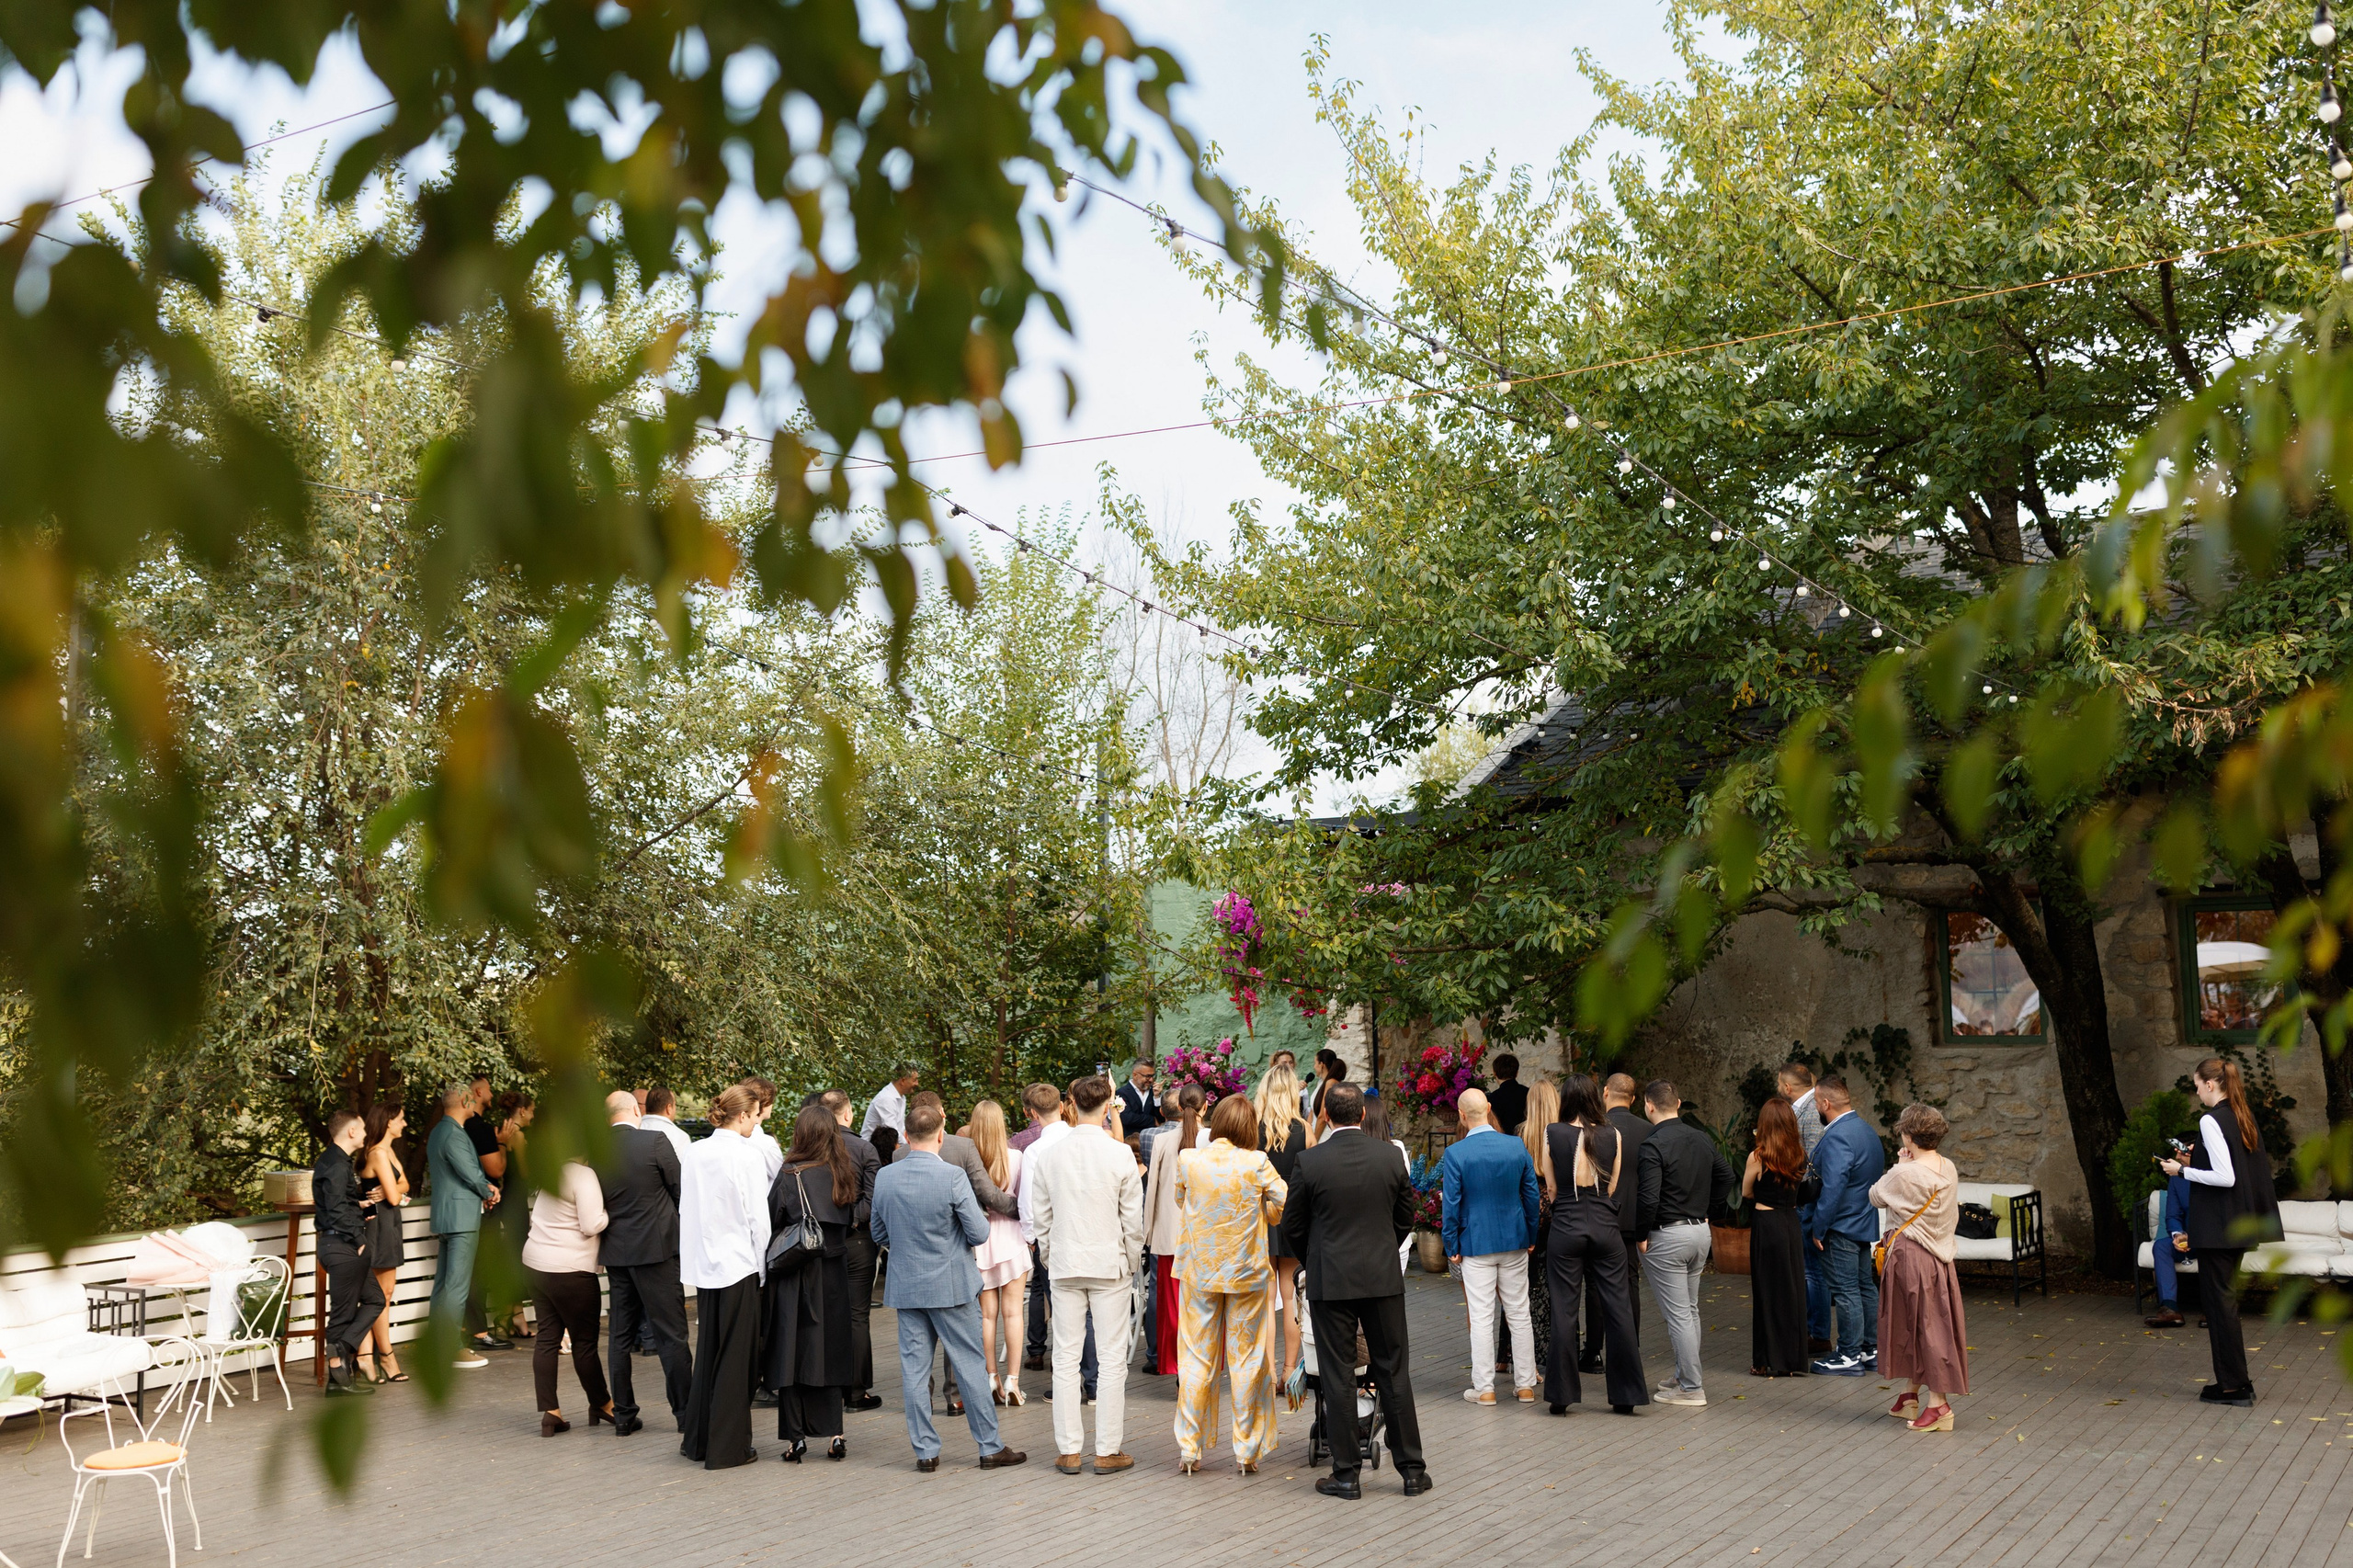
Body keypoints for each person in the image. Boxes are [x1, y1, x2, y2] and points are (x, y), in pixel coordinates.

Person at [1280, 1082, 1428, 1501]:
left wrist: (1316, 1258)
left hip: (1331, 1280)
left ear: (1326, 1116)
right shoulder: (1390, 1156)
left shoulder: (1311, 1161)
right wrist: (1382, 1250)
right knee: (1392, 1370)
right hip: (1381, 1278)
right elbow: (1405, 1217)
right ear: (1363, 1114)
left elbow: (1292, 1224)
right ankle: (1412, 1471)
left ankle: (1346, 1474)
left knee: (1338, 1375)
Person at [869, 1097, 1027, 1472]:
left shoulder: (886, 1176)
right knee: (970, 1365)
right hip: (951, 1284)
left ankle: (925, 1452)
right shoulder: (952, 1177)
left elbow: (878, 1231)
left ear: (906, 1136)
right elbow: (979, 1231)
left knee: (914, 1370)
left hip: (907, 1286)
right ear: (941, 1135)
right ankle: (989, 1447)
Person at [1031, 1074, 1146, 1474]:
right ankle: (1107, 1449)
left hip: (1066, 1261)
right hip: (1108, 1262)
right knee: (1112, 1358)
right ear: (1108, 1105)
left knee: (1065, 1355)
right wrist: (1131, 1260)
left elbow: (1042, 1217)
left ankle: (1069, 1449)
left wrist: (1050, 1256)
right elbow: (1132, 1218)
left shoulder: (1050, 1154)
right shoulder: (1120, 1154)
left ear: (1070, 1105)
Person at [1171, 1092, 1286, 1473]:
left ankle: (1190, 1448)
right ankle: (1246, 1451)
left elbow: (1180, 1199)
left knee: (1195, 1358)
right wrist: (1265, 1214)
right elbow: (1283, 1200)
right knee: (1247, 1359)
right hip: (1246, 1273)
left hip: (1200, 1271)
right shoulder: (1257, 1162)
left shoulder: (1190, 1159)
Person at [2161, 1056, 2282, 1407]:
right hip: (2238, 1226)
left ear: (2210, 1084)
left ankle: (2233, 1388)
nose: (2197, 1092)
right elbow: (2234, 1168)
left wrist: (2180, 1171)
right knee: (2224, 1305)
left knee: (2219, 1307)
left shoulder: (2211, 1119)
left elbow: (2225, 1177)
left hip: (2218, 1229)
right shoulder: (2241, 1115)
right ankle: (2237, 1382)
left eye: (2197, 1085)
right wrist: (2194, 1159)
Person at [893, 1089, 1019, 1412]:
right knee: (957, 1330)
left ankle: (923, 1400)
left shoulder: (899, 1155)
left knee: (917, 1346)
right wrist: (1019, 1210)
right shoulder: (963, 1147)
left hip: (910, 1264)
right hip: (955, 1253)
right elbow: (986, 1191)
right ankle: (955, 1396)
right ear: (941, 1116)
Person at [677, 1085, 772, 1469]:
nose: (756, 1122)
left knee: (709, 1353)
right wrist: (763, 1269)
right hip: (738, 1263)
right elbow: (757, 1219)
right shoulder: (747, 1155)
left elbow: (687, 1208)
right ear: (744, 1115)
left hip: (705, 1264)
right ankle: (728, 1448)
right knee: (736, 1359)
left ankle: (698, 1441)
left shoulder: (695, 1152)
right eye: (755, 1115)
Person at [1542, 1074, 1646, 1416]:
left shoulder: (1553, 1133)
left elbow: (1551, 1188)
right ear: (1595, 1098)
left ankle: (1561, 1395)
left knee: (1564, 1309)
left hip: (1566, 1224)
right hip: (1605, 1225)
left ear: (1566, 1100)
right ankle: (1626, 1395)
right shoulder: (1612, 1134)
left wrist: (1567, 1207)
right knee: (1618, 1308)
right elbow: (1613, 1186)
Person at [766, 1104, 861, 1461]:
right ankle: (836, 1433)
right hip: (834, 1273)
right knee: (832, 1349)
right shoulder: (843, 1172)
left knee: (792, 1352)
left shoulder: (790, 1175)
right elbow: (848, 1220)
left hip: (797, 1274)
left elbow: (773, 1219)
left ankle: (796, 1437)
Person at [1869, 1103, 1969, 1431]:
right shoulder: (1947, 1166)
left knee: (1927, 1329)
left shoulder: (1905, 1173)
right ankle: (1909, 1395)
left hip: (1911, 1256)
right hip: (1939, 1257)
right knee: (1919, 1324)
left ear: (1909, 1136)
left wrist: (1900, 1165)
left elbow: (1875, 1196)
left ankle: (1939, 1406)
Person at [1634, 1080, 1733, 1406]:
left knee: (1679, 1315)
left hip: (1668, 1236)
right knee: (1689, 1310)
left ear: (1648, 1106)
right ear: (1678, 1103)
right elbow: (1726, 1176)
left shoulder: (1653, 1145)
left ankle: (1691, 1387)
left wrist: (1640, 1234)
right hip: (1699, 1233)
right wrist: (1710, 1211)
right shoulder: (1701, 1138)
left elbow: (1649, 1197)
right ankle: (1683, 1375)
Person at [597, 1089, 689, 1435]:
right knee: (671, 1334)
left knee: (620, 1336)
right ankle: (685, 1414)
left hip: (617, 1254)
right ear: (636, 1111)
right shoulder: (654, 1141)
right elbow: (681, 1191)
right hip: (657, 1251)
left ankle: (623, 1415)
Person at [1440, 1086, 1540, 1407]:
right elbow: (1531, 1195)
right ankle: (1525, 1384)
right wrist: (1532, 1234)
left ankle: (1484, 1388)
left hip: (1475, 1241)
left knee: (1482, 1316)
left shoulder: (1456, 1153)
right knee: (1519, 1312)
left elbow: (1451, 1204)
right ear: (1489, 1108)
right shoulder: (1515, 1145)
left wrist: (1451, 1244)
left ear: (1461, 1115)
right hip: (1514, 1238)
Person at [522, 1149, 613, 1437]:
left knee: (547, 1339)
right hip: (570, 1269)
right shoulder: (583, 1175)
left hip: (536, 1264)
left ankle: (551, 1413)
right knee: (584, 1343)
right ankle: (603, 1404)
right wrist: (609, 1214)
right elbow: (591, 1225)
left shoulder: (552, 1172)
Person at [1013, 1083, 1095, 1395]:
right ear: (1061, 1107)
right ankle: (1092, 1382)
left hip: (1052, 1239)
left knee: (1061, 1311)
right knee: (1087, 1310)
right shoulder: (1081, 1140)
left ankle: (1067, 1384)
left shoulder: (1035, 1151)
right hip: (1085, 1231)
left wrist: (1032, 1238)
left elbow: (1028, 1201)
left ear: (1032, 1114)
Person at [1807, 1075, 1885, 1376]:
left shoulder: (1838, 1135)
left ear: (1826, 1103)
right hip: (1862, 1221)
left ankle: (1849, 1355)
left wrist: (1818, 1227)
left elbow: (1834, 1186)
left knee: (1846, 1290)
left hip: (1839, 1225)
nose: (1816, 1107)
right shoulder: (1866, 1130)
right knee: (1864, 1287)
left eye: (1816, 1102)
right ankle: (1870, 1350)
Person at [1579, 1073, 1650, 1375]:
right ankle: (1630, 1349)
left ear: (1605, 1092)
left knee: (1596, 1283)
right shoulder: (1648, 1130)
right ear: (1633, 1099)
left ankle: (1594, 1351)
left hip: (1600, 1214)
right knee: (1630, 1281)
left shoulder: (1593, 1129)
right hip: (1632, 1216)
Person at [1744, 1095, 1818, 1378]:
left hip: (1766, 1224)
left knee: (1766, 1291)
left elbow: (1745, 1192)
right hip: (1790, 1224)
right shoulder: (1799, 1155)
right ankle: (1791, 1359)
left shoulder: (1758, 1157)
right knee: (1791, 1290)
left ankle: (1764, 1359)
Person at [820, 1089, 884, 1409]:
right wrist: (852, 1220)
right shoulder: (864, 1148)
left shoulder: (812, 1147)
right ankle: (856, 1393)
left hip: (821, 1240)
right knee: (857, 1316)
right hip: (858, 1240)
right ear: (848, 1114)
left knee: (827, 1314)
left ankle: (828, 1390)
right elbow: (873, 1199)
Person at [426, 1082, 496, 1369]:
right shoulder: (454, 1134)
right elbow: (470, 1172)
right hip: (461, 1218)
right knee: (456, 1287)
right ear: (466, 1101)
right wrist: (489, 1191)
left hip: (447, 1216)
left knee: (443, 1285)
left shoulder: (438, 1131)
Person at [966, 1098, 1032, 1406]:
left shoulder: (969, 1159)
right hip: (1012, 1239)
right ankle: (1013, 1382)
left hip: (980, 1241)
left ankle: (991, 1376)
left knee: (987, 1315)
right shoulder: (1016, 1157)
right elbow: (1024, 1202)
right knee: (1014, 1312)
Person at [313, 1110, 383, 1396]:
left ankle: (338, 1366)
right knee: (342, 1315)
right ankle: (338, 1362)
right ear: (351, 1131)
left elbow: (338, 1202)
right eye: (362, 1129)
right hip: (342, 1246)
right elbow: (334, 1209)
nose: (365, 1134)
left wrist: (360, 1205)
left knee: (375, 1300)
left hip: (340, 1244)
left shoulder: (336, 1161)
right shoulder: (335, 1164)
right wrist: (358, 1238)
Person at [1254, 1060, 1310, 1388]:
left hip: (1260, 1215)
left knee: (1265, 1299)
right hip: (1292, 1215)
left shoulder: (1253, 1128)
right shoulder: (1304, 1129)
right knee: (1291, 1298)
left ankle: (1269, 1371)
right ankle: (1289, 1370)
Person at [1144, 1083, 1206, 1376]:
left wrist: (1147, 1234)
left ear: (1179, 1107)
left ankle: (1176, 1365)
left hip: (1169, 1234)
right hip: (1205, 1236)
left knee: (1171, 1307)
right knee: (1203, 1306)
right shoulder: (1214, 1141)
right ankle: (1200, 1364)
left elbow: (1153, 1192)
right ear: (1206, 1107)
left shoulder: (1162, 1141)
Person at [356, 1101, 409, 1384]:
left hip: (389, 1224)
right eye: (401, 1119)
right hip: (377, 1226)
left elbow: (404, 1186)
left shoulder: (388, 1151)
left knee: (383, 1295)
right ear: (389, 1122)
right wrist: (395, 1191)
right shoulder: (377, 1153)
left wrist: (395, 1189)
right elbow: (394, 1197)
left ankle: (366, 1356)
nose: (405, 1124)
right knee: (379, 1296)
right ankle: (383, 1356)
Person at [1780, 1061, 1831, 1353]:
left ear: (1787, 1087)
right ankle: (1812, 1330)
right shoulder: (1802, 1107)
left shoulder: (1811, 1110)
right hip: (1803, 1198)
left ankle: (1818, 1333)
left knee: (1812, 1270)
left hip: (1807, 1199)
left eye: (1779, 1083)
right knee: (1807, 1269)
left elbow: (1812, 1158)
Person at [461, 1075, 515, 1354]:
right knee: (479, 1270)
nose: (493, 1094)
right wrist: (502, 1143)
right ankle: (478, 1332)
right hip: (483, 1207)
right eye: (489, 1090)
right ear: (479, 1093)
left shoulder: (460, 1128)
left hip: (470, 1207)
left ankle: (467, 1328)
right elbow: (496, 1169)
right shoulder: (479, 1128)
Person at [1516, 1080, 1561, 1377]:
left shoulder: (1521, 1134)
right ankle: (1554, 1349)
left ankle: (1514, 1354)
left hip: (1529, 1210)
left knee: (1522, 1286)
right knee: (1554, 1283)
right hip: (1556, 1210)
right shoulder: (1563, 1133)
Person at [490, 1090, 538, 1341]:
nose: (533, 1115)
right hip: (515, 1199)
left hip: (507, 1199)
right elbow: (526, 1172)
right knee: (517, 1256)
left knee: (514, 1256)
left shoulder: (503, 1131)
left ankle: (514, 1316)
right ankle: (507, 1317)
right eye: (531, 1110)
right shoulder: (517, 1135)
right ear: (522, 1110)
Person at [2143, 1169, 2195, 1328]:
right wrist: (2178, 1235)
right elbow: (2173, 1215)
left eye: (2182, 1155)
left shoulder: (2215, 1173)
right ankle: (2170, 1308)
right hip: (2188, 1239)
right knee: (2161, 1246)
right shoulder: (2177, 1179)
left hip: (2214, 1240)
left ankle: (2213, 1309)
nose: (2177, 1158)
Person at [743, 1077, 786, 1183]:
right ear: (765, 1104)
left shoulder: (734, 1135)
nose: (772, 1105)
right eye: (771, 1101)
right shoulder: (766, 1143)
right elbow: (783, 1179)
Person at [862, 1063, 920, 1142]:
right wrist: (910, 1145)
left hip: (887, 1144)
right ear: (903, 1081)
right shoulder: (886, 1099)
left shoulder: (901, 1098)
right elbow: (892, 1132)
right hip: (871, 1146)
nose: (917, 1083)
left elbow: (900, 1128)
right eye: (914, 1080)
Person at [640, 1085, 692, 1159]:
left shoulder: (632, 1129)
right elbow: (683, 1165)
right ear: (669, 1108)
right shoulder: (680, 1137)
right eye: (675, 1105)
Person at [1118, 1060, 1162, 1140]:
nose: (1151, 1080)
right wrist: (1152, 1120)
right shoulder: (1122, 1093)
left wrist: (1157, 1097)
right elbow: (1127, 1118)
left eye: (1153, 1076)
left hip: (1151, 1140)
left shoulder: (1154, 1092)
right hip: (1129, 1141)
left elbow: (1161, 1119)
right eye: (1147, 1076)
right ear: (1135, 1075)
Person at [1488, 1054, 1529, 1135]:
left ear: (1494, 1073)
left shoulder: (1492, 1098)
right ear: (1517, 1073)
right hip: (1526, 1138)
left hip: (1502, 1140)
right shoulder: (1528, 1093)